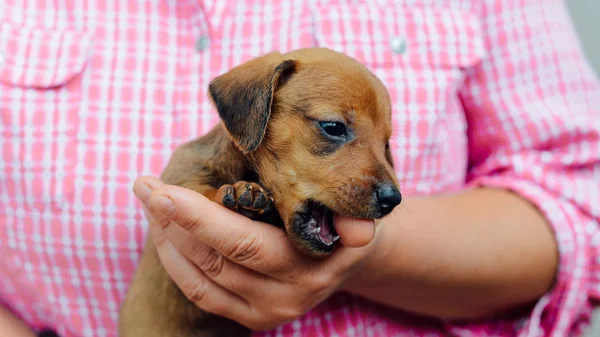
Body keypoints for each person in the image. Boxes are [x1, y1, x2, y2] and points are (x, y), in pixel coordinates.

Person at [1, 0, 599, 336]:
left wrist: (369, 255)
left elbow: (582, 204)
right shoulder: (217, 149)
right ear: (249, 113)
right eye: (333, 131)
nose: (390, 184)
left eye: (385, 146)